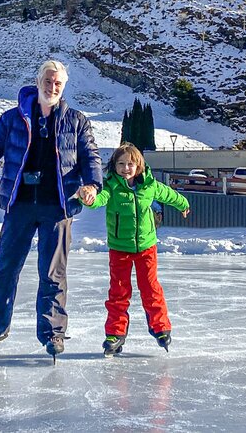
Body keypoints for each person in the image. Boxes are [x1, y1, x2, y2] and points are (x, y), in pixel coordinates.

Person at [0, 60, 101, 358]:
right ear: (38, 81)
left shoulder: (76, 121)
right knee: (4, 268)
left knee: (53, 274)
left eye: (58, 83)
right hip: (19, 204)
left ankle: (52, 333)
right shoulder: (12, 119)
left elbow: (90, 156)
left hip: (57, 207)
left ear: (64, 87)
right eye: (48, 80)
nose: (52, 87)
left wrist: (92, 185)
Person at [81, 143, 189, 355]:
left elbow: (168, 194)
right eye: (121, 164)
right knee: (118, 292)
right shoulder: (111, 186)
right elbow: (99, 200)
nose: (126, 168)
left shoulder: (149, 185)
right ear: (114, 166)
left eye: (130, 164)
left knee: (150, 287)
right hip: (119, 248)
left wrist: (182, 203)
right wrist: (89, 198)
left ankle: (161, 328)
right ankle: (115, 333)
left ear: (139, 165)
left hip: (146, 247)